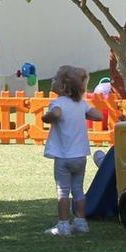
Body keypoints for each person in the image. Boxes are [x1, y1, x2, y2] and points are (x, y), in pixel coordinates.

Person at [42, 65, 104, 236]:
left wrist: (47, 117)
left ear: (62, 87)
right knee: (78, 189)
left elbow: (55, 114)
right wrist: (84, 114)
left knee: (63, 191)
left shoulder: (58, 103)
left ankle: (63, 225)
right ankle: (80, 222)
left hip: (63, 157)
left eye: (55, 79)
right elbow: (99, 116)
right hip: (80, 157)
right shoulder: (82, 104)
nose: (52, 81)